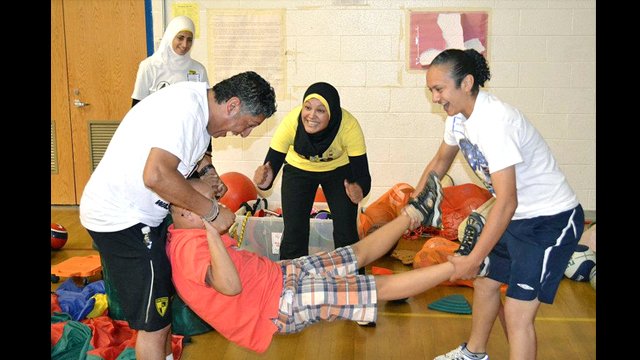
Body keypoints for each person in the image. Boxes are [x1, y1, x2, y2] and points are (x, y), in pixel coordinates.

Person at [79, 71, 277, 360]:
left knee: (162, 307)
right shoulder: (186, 112)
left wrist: (209, 174)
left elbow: (194, 155)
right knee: (154, 323)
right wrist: (211, 212)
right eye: (248, 125)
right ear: (232, 105)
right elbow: (156, 175)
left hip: (145, 216)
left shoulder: (198, 107)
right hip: (122, 221)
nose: (244, 133)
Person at [414, 49, 584, 360]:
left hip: (550, 221)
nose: (436, 98)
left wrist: (473, 257)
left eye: (439, 89)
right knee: (486, 282)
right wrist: (414, 204)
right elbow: (440, 161)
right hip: (516, 217)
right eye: (431, 91)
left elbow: (506, 201)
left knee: (518, 314)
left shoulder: (495, 122)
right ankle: (474, 353)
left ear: (466, 83)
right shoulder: (458, 119)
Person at [166, 173, 450, 354]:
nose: (222, 205)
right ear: (189, 213)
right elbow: (230, 286)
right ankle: (462, 265)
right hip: (279, 305)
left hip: (281, 275)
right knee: (376, 287)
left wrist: (210, 219)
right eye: (212, 203)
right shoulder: (188, 249)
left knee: (356, 253)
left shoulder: (188, 231)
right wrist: (213, 229)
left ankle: (416, 213)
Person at [253, 82, 371, 261]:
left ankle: (352, 279)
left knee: (346, 231)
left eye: (320, 110)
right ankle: (290, 280)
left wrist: (360, 189)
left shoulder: (349, 126)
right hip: (298, 168)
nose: (311, 116)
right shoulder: (291, 123)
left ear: (331, 113)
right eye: (307, 108)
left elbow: (364, 177)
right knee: (294, 230)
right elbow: (268, 174)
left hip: (338, 170)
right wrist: (263, 180)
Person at [131, 15, 209, 107]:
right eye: (180, 38)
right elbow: (136, 106)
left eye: (189, 40)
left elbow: (205, 105)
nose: (184, 44)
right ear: (170, 36)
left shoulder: (199, 69)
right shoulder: (149, 66)